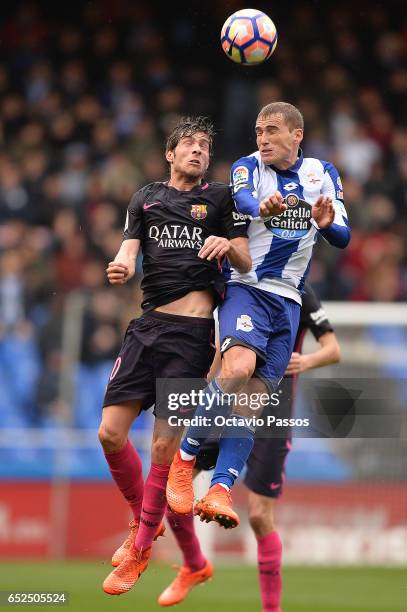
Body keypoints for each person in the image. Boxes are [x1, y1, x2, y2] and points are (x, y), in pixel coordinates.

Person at [167, 101, 350, 528]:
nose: (262, 139)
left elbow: (342, 234)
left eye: (271, 131)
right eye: (258, 131)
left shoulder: (323, 174)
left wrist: (325, 224)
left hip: (288, 301)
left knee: (250, 402)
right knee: (236, 369)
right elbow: (245, 198)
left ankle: (219, 489)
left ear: (296, 134)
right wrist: (259, 208)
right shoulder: (248, 166)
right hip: (247, 288)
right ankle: (184, 459)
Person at [99, 116, 251, 596]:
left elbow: (245, 259)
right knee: (108, 433)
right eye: (189, 143)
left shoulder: (221, 199)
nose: (198, 150)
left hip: (191, 335)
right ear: (170, 153)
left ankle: (140, 549)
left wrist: (228, 244)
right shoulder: (146, 196)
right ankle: (143, 520)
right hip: (146, 329)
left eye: (205, 145)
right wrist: (123, 263)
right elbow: (128, 249)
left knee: (164, 449)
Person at [159, 283, 340, 610]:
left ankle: (272, 608)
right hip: (232, 395)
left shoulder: (301, 290)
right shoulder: (244, 279)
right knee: (177, 483)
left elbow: (333, 349)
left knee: (259, 514)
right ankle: (191, 563)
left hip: (276, 405)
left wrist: (306, 361)